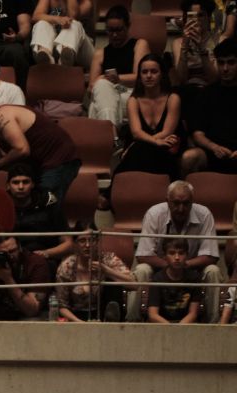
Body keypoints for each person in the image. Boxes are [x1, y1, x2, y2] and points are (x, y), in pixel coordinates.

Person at [130, 180, 227, 314]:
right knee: (142, 270)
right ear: (167, 201)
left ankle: (213, 324)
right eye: (176, 203)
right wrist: (170, 266)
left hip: (192, 269)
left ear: (192, 201)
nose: (181, 209)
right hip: (160, 269)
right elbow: (143, 255)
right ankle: (133, 321)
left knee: (213, 271)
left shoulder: (204, 214)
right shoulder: (154, 214)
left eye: (186, 204)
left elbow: (211, 256)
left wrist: (183, 265)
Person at [181, 39, 237, 175]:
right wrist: (214, 147)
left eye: (231, 63)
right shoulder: (207, 93)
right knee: (189, 158)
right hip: (213, 152)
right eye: (221, 62)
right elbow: (197, 134)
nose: (225, 68)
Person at [54, 227, 133, 320]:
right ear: (75, 244)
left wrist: (106, 270)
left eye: (91, 240)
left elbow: (134, 285)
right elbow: (62, 306)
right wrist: (81, 324)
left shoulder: (108, 258)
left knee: (112, 279)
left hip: (105, 313)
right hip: (76, 317)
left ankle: (111, 323)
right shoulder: (67, 266)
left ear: (97, 242)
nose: (87, 245)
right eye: (82, 241)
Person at [0, 230, 53, 317]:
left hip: (26, 317)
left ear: (20, 247)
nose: (10, 256)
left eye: (13, 251)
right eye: (3, 254)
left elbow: (32, 311)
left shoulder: (35, 263)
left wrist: (8, 279)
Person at [87, 7, 144, 129]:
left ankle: (107, 138)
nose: (114, 35)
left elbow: (140, 77)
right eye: (110, 30)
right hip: (108, 92)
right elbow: (91, 88)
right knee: (102, 89)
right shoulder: (100, 53)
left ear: (128, 27)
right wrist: (105, 80)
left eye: (119, 30)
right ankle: (113, 138)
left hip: (129, 91)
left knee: (97, 102)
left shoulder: (139, 45)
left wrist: (115, 79)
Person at [31, 0, 92, 68]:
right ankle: (45, 55)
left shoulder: (86, 3)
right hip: (55, 46)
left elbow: (73, 15)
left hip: (82, 50)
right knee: (41, 23)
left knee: (74, 24)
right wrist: (56, 19)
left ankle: (66, 56)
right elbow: (36, 16)